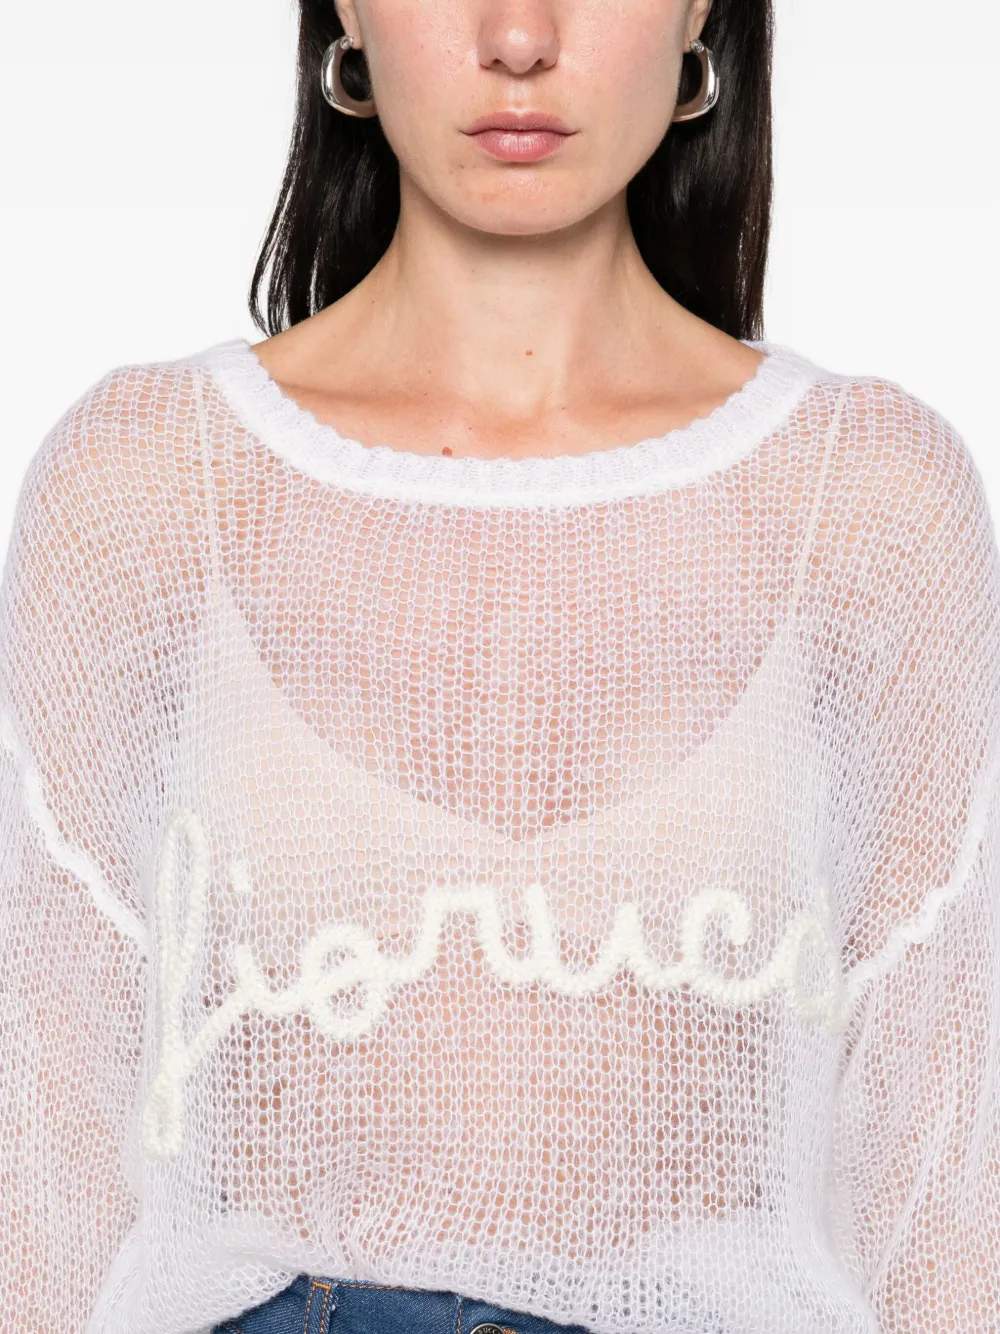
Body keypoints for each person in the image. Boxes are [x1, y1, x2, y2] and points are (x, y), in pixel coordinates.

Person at [1, 1, 997, 1333]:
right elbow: (43, 1165)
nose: (519, 37)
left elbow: (943, 1184)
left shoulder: (869, 504)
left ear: (702, 10)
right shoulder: (149, 486)